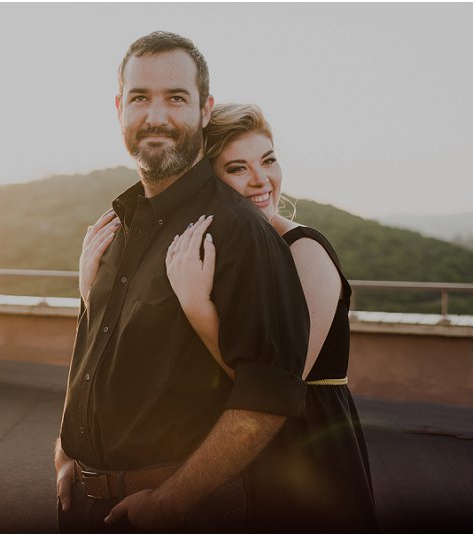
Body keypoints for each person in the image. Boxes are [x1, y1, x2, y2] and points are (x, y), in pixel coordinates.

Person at [54, 31, 310, 532]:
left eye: (176, 98)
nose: (155, 116)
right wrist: (65, 453)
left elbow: (267, 399)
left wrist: (170, 501)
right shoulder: (116, 227)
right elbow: (92, 348)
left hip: (177, 511)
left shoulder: (239, 233)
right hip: (81, 503)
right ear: (119, 108)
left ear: (204, 108)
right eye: (139, 98)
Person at [84, 103, 378, 532]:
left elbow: (277, 387)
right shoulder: (213, 257)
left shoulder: (305, 252)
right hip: (236, 462)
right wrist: (94, 295)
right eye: (238, 168)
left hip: (305, 458)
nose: (261, 180)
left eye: (269, 160)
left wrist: (197, 306)